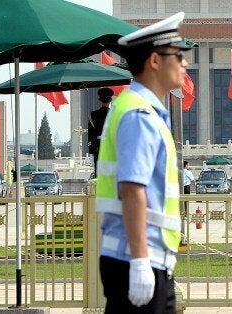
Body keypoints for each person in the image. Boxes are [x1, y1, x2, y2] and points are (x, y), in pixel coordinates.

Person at [95, 12, 193, 313]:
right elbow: (132, 187)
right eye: (177, 56)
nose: (184, 63)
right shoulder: (138, 114)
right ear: (154, 60)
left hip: (147, 257)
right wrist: (139, 261)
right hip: (135, 258)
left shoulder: (144, 110)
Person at [88, 87, 114, 175]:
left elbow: (91, 135)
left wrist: (91, 152)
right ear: (110, 100)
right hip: (111, 146)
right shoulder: (115, 114)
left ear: (100, 100)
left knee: (99, 174)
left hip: (98, 147)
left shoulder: (93, 114)